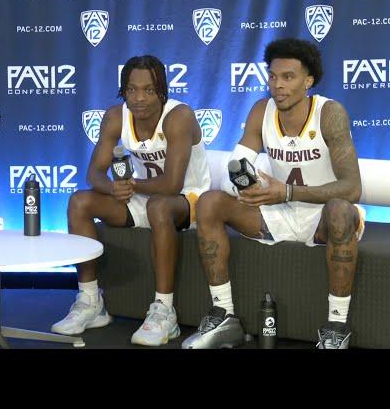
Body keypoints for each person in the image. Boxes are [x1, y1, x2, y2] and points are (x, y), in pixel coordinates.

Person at [182, 38, 365, 350]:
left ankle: (336, 328)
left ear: (308, 81)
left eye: (288, 77)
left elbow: (352, 187)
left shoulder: (329, 113)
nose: (277, 85)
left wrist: (288, 192)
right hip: (278, 212)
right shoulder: (261, 110)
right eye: (272, 76)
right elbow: (235, 165)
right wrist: (245, 187)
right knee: (211, 203)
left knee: (340, 210)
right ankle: (224, 316)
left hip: (321, 220)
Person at [51, 55, 211, 346]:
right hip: (144, 198)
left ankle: (164, 312)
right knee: (79, 202)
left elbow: (172, 184)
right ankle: (90, 301)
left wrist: (132, 185)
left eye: (148, 90)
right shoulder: (115, 116)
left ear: (161, 90)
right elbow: (94, 173)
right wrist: (113, 188)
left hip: (190, 201)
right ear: (123, 91)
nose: (139, 98)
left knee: (159, 205)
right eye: (131, 90)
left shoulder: (179, 117)